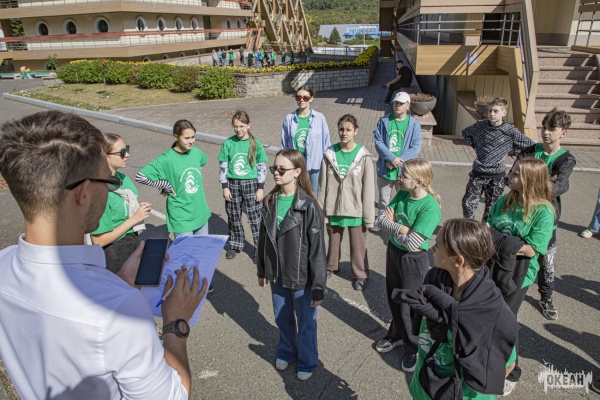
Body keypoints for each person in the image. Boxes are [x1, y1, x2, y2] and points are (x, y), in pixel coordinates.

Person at [0, 110, 208, 399]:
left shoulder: (4, 265)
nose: (112, 185)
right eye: (108, 182)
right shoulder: (119, 309)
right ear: (84, 193)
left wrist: (120, 280)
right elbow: (174, 395)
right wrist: (175, 324)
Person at [399, 219, 518, 399]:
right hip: (425, 386)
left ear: (457, 261)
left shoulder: (492, 314)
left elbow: (507, 366)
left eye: (438, 245)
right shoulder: (433, 282)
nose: (432, 248)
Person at [256, 149, 327, 381]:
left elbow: (317, 251)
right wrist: (262, 269)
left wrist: (318, 287)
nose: (276, 173)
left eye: (282, 169)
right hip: (277, 274)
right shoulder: (270, 200)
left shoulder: (309, 206)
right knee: (282, 316)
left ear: (297, 172)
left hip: (301, 277)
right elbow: (263, 239)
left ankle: (307, 360)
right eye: (274, 168)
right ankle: (287, 350)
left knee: (306, 323)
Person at [486, 158, 555, 395]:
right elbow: (487, 227)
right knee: (488, 316)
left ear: (529, 180)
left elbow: (531, 249)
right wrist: (507, 243)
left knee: (506, 322)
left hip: (518, 275)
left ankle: (512, 371)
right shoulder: (506, 200)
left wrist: (498, 240)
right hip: (493, 267)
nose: (509, 176)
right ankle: (490, 359)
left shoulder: (544, 212)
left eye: (515, 174)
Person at [374, 158, 441, 373]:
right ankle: (396, 334)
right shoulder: (403, 194)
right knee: (394, 296)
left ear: (419, 181)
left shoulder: (430, 207)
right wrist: (403, 229)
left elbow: (414, 245)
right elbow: (380, 221)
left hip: (413, 260)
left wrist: (395, 226)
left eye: (404, 176)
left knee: (410, 305)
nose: (399, 178)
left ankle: (412, 347)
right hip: (394, 252)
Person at [518, 108, 576, 321]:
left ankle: (546, 297)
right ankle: (508, 290)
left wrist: (529, 182)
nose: (546, 132)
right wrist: (543, 182)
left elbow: (560, 186)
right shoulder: (529, 151)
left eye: (552, 129)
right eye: (544, 127)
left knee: (546, 262)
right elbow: (513, 177)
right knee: (516, 254)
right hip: (520, 214)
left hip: (546, 219)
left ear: (563, 133)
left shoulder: (566, 159)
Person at [317, 114, 375, 291]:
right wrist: (321, 211)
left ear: (356, 131)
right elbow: (322, 186)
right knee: (333, 242)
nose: (344, 133)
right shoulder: (329, 154)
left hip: (355, 208)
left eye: (349, 129)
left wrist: (368, 217)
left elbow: (369, 189)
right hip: (333, 207)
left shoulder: (363, 156)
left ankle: (360, 274)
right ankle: (331, 266)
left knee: (358, 246)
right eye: (341, 129)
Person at [462, 98, 535, 222]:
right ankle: (471, 227)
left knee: (491, 209)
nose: (492, 114)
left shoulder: (510, 130)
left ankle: (485, 230)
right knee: (468, 204)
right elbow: (466, 133)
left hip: (496, 176)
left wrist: (511, 152)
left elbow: (530, 146)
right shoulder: (481, 125)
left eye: (496, 111)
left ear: (504, 113)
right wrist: (477, 146)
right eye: (490, 111)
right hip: (478, 173)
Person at [90, 133, 152, 274]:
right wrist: (134, 219)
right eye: (122, 152)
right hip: (114, 253)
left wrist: (138, 209)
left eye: (127, 149)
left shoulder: (122, 178)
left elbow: (125, 206)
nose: (127, 155)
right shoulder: (98, 191)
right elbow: (98, 241)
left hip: (131, 243)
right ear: (104, 156)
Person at [218, 111, 268, 261]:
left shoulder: (256, 144)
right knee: (233, 214)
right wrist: (225, 186)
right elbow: (223, 167)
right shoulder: (228, 143)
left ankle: (259, 248)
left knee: (255, 217)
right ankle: (235, 244)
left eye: (241, 126)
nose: (238, 129)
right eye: (235, 126)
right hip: (232, 183)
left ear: (248, 125)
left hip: (251, 184)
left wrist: (260, 188)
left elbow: (262, 167)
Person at [371, 91, 421, 232]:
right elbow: (378, 142)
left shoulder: (413, 124)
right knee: (384, 199)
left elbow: (415, 147)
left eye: (401, 103)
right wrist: (391, 158)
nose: (398, 105)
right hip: (385, 168)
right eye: (396, 103)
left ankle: (402, 222)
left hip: (404, 171)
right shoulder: (384, 121)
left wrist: (398, 161)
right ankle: (382, 220)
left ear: (408, 105)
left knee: (404, 198)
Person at [281, 85, 331, 197]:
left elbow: (326, 142)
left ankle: (314, 209)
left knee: (314, 194)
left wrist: (328, 163)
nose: (301, 100)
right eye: (298, 97)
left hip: (315, 164)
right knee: (296, 193)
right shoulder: (289, 119)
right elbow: (284, 144)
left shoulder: (320, 118)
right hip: (296, 163)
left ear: (311, 99)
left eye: (305, 97)